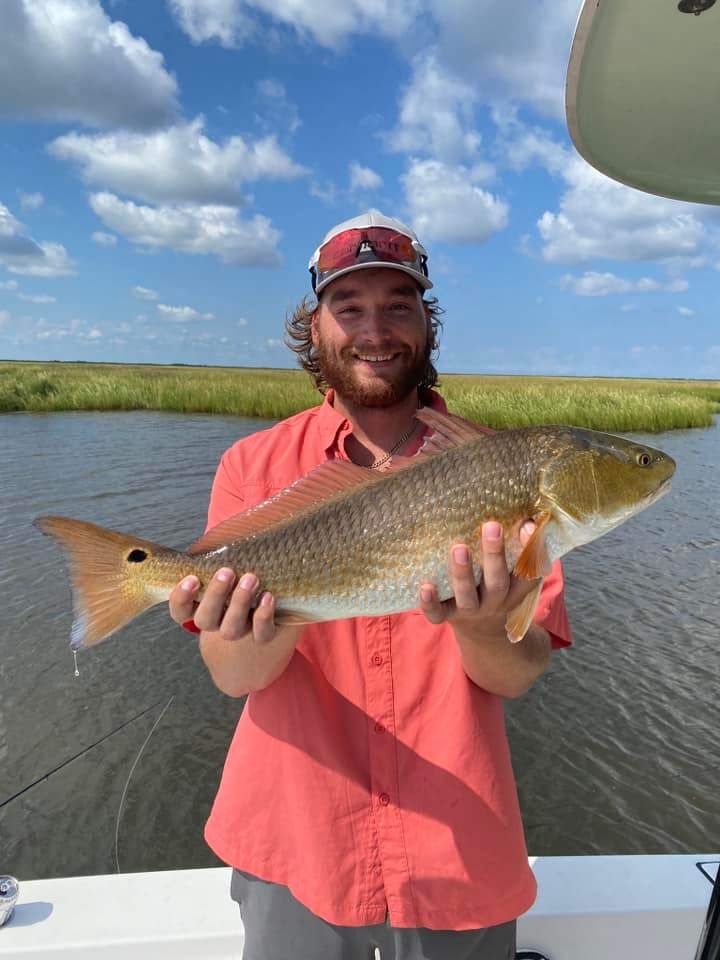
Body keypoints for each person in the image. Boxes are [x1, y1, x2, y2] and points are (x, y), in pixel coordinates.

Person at [168, 210, 572, 960]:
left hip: (458, 852)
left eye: (398, 305)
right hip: (295, 842)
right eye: (349, 307)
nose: (375, 331)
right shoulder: (251, 466)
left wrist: (481, 624)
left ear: (427, 322)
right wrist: (271, 608)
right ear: (315, 327)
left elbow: (517, 675)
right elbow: (234, 675)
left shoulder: (507, 470)